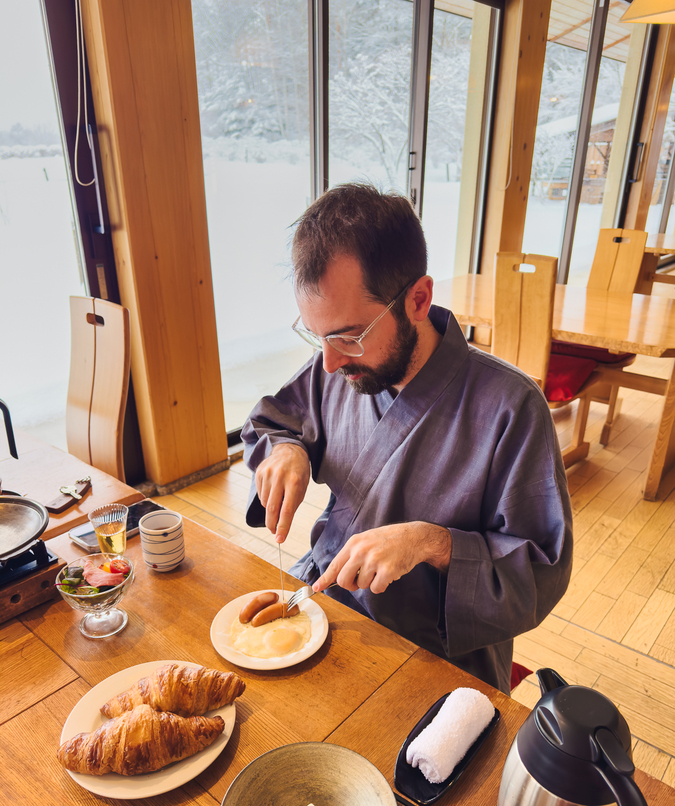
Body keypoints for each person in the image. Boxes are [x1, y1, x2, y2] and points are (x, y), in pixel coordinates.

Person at [242, 183, 572, 694]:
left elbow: (539, 574)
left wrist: (433, 543)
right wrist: (287, 449)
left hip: (440, 658)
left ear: (418, 299)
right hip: (326, 611)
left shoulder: (511, 407)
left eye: (349, 336)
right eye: (316, 335)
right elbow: (275, 421)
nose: (329, 363)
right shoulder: (338, 364)